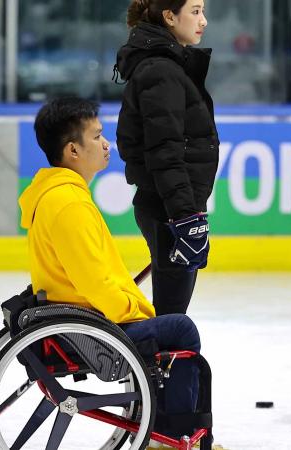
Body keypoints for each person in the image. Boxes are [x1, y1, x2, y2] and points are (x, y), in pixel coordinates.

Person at [19, 98, 222, 449]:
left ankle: (164, 434)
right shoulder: (68, 204)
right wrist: (139, 312)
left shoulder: (58, 195)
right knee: (179, 327)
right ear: (73, 150)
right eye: (97, 136)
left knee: (170, 325)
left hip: (80, 313)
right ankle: (171, 439)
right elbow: (94, 283)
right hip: (88, 325)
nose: (106, 143)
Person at [114, 0, 218, 316]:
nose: (204, 20)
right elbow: (166, 150)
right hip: (168, 212)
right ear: (170, 17)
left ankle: (155, 365)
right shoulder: (161, 70)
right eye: (196, 11)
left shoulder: (166, 66)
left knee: (171, 313)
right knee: (171, 318)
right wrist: (185, 217)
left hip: (168, 209)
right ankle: (154, 366)